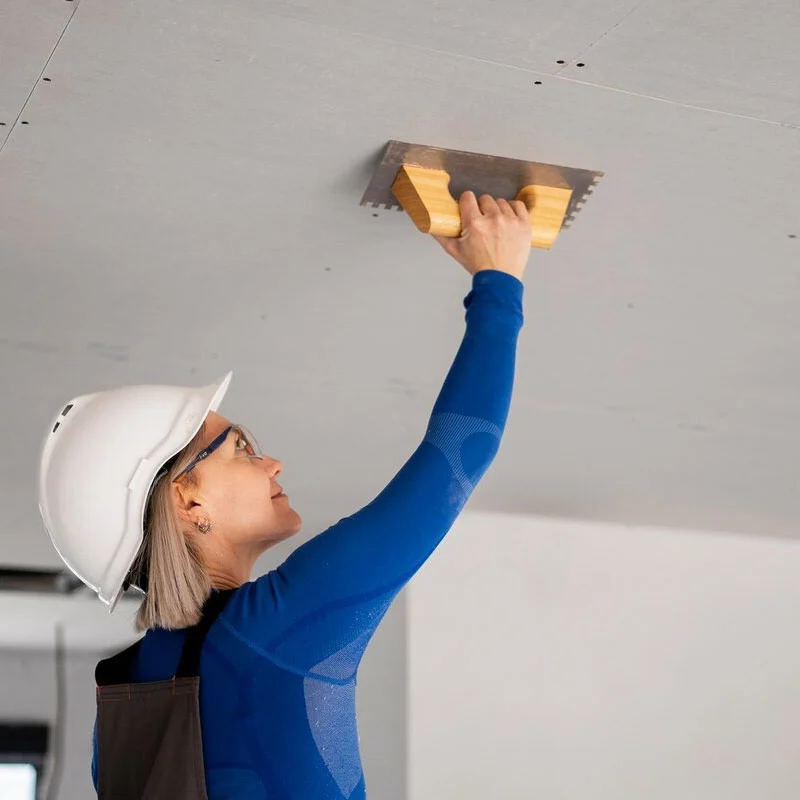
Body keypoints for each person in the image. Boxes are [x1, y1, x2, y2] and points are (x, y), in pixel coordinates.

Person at [38, 190, 531, 799]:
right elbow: (456, 458)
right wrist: (499, 280)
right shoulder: (275, 628)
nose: (272, 462)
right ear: (187, 504)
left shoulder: (119, 698)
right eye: (241, 448)